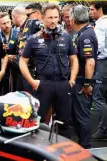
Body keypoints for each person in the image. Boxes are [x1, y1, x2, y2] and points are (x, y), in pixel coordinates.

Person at [19, 4, 79, 138]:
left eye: (56, 17)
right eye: (50, 17)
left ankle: (64, 153)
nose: (53, 21)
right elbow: (22, 61)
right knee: (37, 120)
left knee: (65, 121)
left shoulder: (66, 37)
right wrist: (32, 81)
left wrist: (72, 79)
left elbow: (74, 59)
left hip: (63, 84)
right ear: (42, 18)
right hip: (43, 84)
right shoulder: (33, 39)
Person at [69, 5, 98, 148]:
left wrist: (87, 84)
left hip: (82, 82)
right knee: (77, 116)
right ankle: (82, 144)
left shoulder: (86, 35)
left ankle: (86, 147)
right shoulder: (81, 33)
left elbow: (90, 62)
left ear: (73, 19)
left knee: (82, 116)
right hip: (79, 80)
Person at [11, 6, 42, 94]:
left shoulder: (33, 23)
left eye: (12, 18)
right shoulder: (20, 29)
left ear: (15, 16)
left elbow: (46, 27)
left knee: (31, 99)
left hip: (31, 70)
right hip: (21, 70)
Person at [89, 1, 107, 139]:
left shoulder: (101, 25)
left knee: (99, 97)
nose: (90, 12)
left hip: (102, 62)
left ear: (99, 10)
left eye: (92, 10)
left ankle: (103, 130)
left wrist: (91, 60)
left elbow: (99, 47)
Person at [0, 12, 19, 93]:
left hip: (14, 68)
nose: (7, 25)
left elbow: (23, 52)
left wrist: (14, 57)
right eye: (4, 23)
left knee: (12, 91)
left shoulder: (18, 33)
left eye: (8, 22)